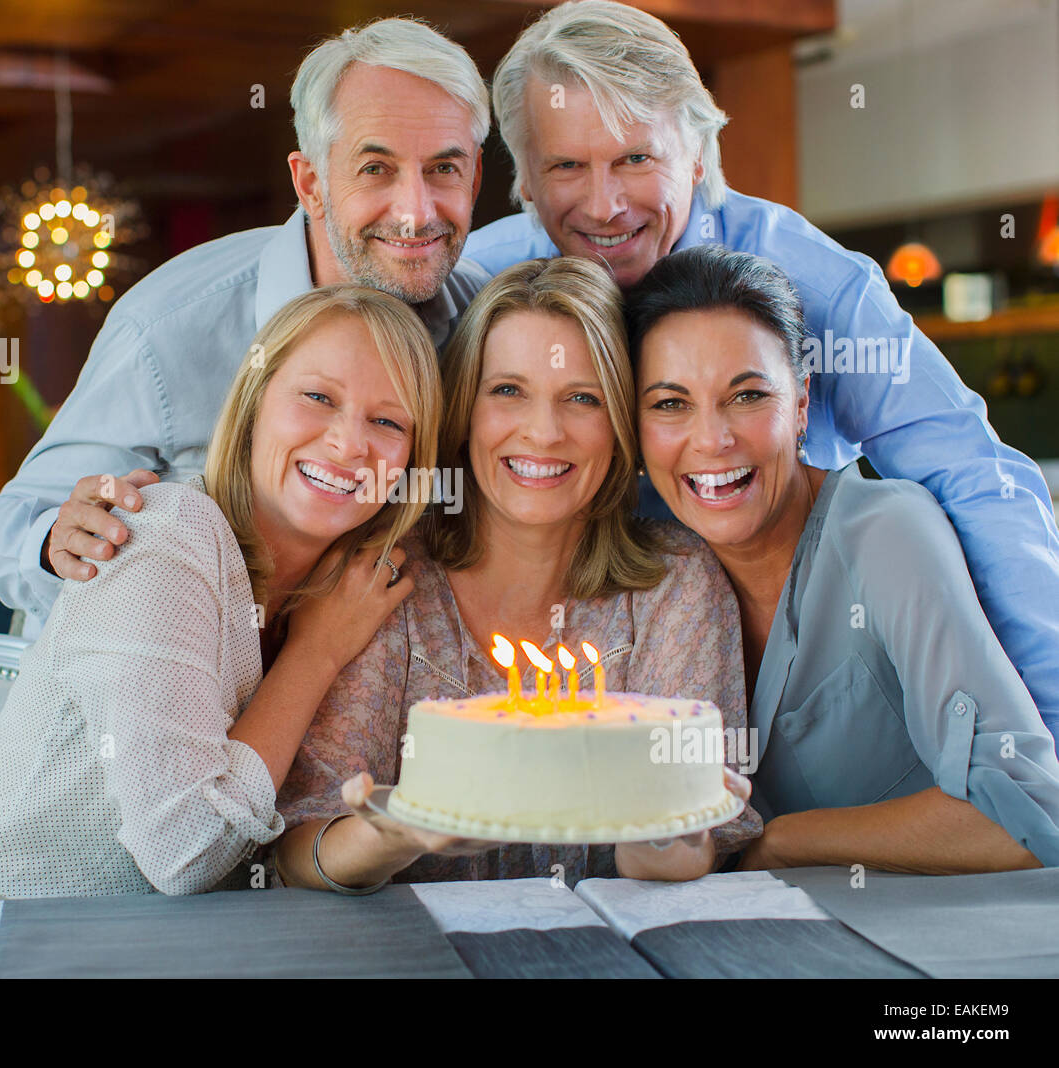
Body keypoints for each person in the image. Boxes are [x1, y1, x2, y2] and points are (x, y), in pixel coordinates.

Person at [463, 0, 1059, 739]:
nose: (605, 204)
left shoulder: (818, 285)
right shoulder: (479, 290)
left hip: (803, 688)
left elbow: (975, 480)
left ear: (700, 157)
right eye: (566, 167)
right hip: (587, 694)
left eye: (636, 159)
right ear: (523, 178)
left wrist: (1047, 736)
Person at [0, 285, 442, 901]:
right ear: (254, 401)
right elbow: (187, 851)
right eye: (317, 397)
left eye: (387, 420)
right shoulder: (166, 533)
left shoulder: (350, 584)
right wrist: (315, 654)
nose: (350, 444)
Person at [0, 17, 490, 636]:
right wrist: (57, 539)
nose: (416, 212)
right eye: (376, 169)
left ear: (476, 178)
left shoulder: (482, 321)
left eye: (443, 169)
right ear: (311, 183)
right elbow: (13, 529)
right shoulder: (169, 324)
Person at [269, 257, 761, 893]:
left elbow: (689, 853)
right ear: (463, 407)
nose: (543, 432)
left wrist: (662, 831)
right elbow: (299, 849)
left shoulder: (676, 585)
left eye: (581, 398)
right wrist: (396, 833)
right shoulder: (381, 577)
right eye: (507, 391)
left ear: (619, 422)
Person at [625, 244, 1059, 873]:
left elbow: (1024, 817)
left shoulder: (884, 532)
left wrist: (775, 843)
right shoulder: (652, 562)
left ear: (801, 403)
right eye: (670, 404)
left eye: (747, 396)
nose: (713, 440)